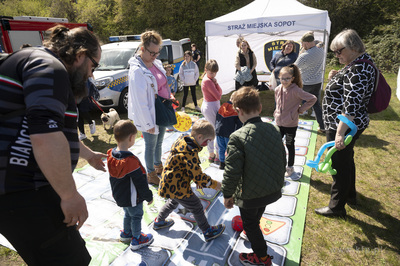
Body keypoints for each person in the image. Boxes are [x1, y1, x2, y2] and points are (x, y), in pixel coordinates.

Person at [0, 25, 106, 265]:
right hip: (24, 191)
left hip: (18, 190)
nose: (91, 74)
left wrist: (87, 154)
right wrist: (69, 195)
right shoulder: (51, 68)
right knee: (71, 260)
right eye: (94, 65)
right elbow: (44, 134)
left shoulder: (35, 60)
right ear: (80, 55)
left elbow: (47, 127)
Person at [222, 87, 286, 266]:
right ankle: (252, 228)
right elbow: (282, 156)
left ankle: (262, 257)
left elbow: (232, 170)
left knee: (250, 224)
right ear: (259, 108)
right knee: (256, 214)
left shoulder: (237, 137)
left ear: (238, 111)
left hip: (250, 194)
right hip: (271, 188)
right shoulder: (273, 129)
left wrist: (227, 194)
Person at [315, 29, 376, 218]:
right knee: (346, 160)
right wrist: (337, 78)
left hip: (344, 125)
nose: (336, 55)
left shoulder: (358, 69)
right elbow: (348, 93)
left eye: (339, 51)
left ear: (354, 47)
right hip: (348, 124)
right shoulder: (358, 63)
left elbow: (350, 106)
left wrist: (340, 133)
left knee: (339, 164)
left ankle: (337, 206)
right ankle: (350, 195)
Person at [154, 119, 226, 242]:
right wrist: (214, 184)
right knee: (196, 207)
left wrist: (197, 180)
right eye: (207, 141)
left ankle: (159, 221)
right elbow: (198, 176)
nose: (206, 144)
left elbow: (188, 169)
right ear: (199, 136)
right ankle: (207, 231)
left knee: (173, 201)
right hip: (178, 186)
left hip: (169, 182)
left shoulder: (183, 140)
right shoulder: (190, 152)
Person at [128, 30, 175, 186]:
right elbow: (140, 102)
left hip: (161, 108)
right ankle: (150, 173)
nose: (155, 56)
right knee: (150, 144)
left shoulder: (156, 62)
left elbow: (162, 83)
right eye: (152, 53)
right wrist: (147, 123)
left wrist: (169, 96)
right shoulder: (137, 71)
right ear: (142, 49)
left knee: (160, 141)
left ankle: (157, 165)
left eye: (157, 53)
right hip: (149, 113)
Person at [107, 120, 154, 250]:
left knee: (128, 214)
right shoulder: (130, 161)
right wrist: (148, 196)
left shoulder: (111, 154)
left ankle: (127, 233)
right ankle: (137, 238)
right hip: (133, 198)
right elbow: (140, 183)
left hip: (120, 196)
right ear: (131, 138)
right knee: (137, 215)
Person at [273, 65, 316, 176]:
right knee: (276, 144)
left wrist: (301, 109)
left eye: (287, 78)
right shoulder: (278, 89)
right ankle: (278, 164)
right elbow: (278, 104)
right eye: (283, 78)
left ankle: (290, 167)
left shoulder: (296, 90)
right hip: (279, 122)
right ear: (279, 77)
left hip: (291, 124)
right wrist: (276, 113)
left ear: (292, 78)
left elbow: (312, 98)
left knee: (289, 144)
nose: (285, 81)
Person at [294, 31, 325, 133]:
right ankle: (322, 126)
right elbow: (318, 43)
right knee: (316, 105)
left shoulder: (304, 56)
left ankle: (292, 122)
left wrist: (301, 52)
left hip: (305, 83)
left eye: (302, 44)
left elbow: (295, 67)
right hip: (317, 82)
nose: (301, 46)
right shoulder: (321, 51)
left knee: (295, 103)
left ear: (306, 43)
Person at [201, 59, 223, 164]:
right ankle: (215, 154)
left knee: (212, 130)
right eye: (211, 72)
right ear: (206, 70)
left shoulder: (210, 79)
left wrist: (216, 84)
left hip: (211, 105)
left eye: (215, 73)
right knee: (215, 130)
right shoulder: (207, 81)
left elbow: (220, 93)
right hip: (210, 106)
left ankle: (212, 154)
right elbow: (218, 95)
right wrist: (216, 84)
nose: (213, 75)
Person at [215, 96, 242, 170]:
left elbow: (217, 117)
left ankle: (222, 163)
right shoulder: (236, 110)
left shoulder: (223, 106)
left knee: (221, 148)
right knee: (229, 149)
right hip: (229, 132)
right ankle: (230, 164)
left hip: (219, 131)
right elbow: (239, 123)